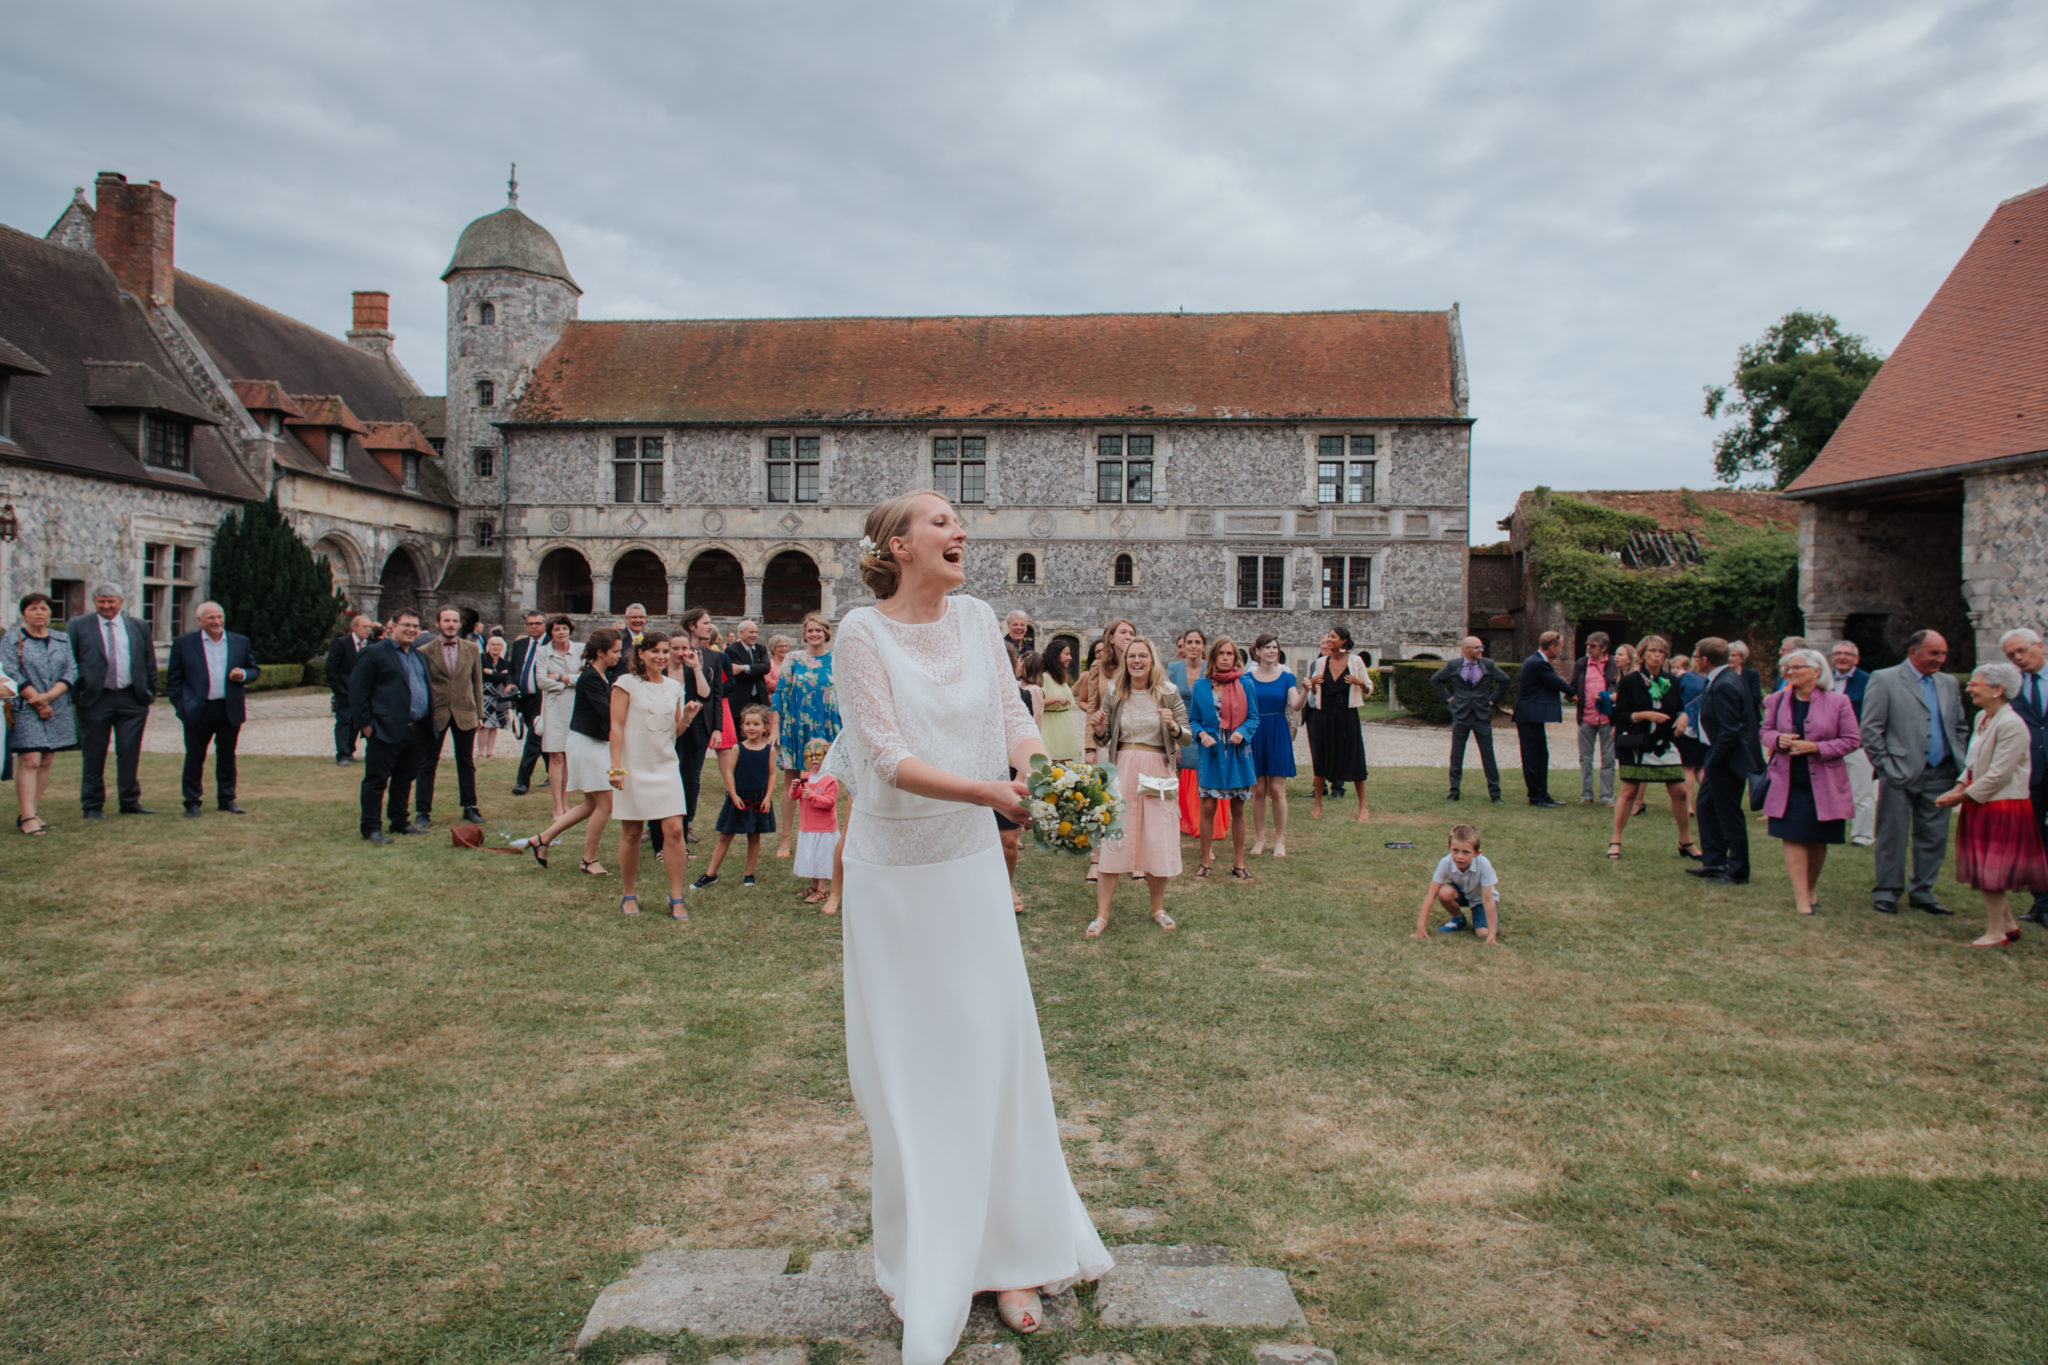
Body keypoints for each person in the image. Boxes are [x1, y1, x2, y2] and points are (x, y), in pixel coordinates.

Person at [821, 491, 1110, 1360]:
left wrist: (1039, 775)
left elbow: (1014, 721)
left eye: (958, 521)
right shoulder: (859, 636)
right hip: (895, 876)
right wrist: (987, 791)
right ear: (898, 545)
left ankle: (1013, 1257)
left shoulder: (982, 617)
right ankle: (926, 1256)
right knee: (911, 1071)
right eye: (941, 520)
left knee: (995, 1053)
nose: (959, 531)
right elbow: (882, 755)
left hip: (971, 871)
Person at [1938, 662, 2048, 947]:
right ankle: (2008, 925)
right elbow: (1973, 764)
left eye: (1976, 683)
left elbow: (2000, 773)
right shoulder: (1982, 719)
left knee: (1993, 871)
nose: (1969, 688)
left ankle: (1996, 933)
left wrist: (1961, 796)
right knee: (1986, 867)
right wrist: (1961, 784)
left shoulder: (2012, 724)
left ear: (1998, 690)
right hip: (1981, 801)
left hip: (2004, 806)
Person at [1861, 629, 1968, 916]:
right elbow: (1871, 729)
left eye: (1943, 654)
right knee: (1892, 834)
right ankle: (1887, 890)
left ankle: (1923, 891)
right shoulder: (1885, 679)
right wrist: (1886, 766)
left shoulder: (1947, 683)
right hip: (1899, 772)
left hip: (1940, 773)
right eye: (1934, 653)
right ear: (1913, 652)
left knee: (1934, 836)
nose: (1940, 659)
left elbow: (1958, 725)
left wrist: (1957, 757)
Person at [1089, 636, 1188, 933]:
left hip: (1158, 768)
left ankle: (1158, 908)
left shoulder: (1167, 692)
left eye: (1143, 655)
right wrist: (1098, 731)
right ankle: (1102, 915)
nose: (1137, 661)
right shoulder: (1116, 692)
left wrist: (1172, 725)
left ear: (1152, 659)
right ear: (1125, 661)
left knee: (1157, 838)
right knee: (1114, 838)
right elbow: (1105, 737)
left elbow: (1187, 736)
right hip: (1124, 770)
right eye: (1132, 655)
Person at [1760, 649, 1862, 915]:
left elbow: (1852, 740)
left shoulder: (1838, 702)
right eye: (1788, 668)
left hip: (1825, 782)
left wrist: (1816, 747)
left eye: (1797, 668)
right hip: (1788, 781)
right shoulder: (1776, 700)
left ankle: (1810, 887)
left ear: (1817, 671)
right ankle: (1801, 897)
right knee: (1792, 837)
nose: (1791, 673)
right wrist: (1776, 740)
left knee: (1818, 839)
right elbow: (1764, 731)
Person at [518, 629, 623, 876]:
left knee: (590, 804)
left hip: (593, 744)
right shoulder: (590, 678)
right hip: (588, 745)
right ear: (601, 653)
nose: (619, 656)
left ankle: (542, 839)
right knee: (605, 804)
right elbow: (606, 714)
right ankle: (589, 859)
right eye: (615, 651)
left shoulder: (601, 676)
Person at [608, 630, 697, 919]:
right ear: (641, 653)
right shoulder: (626, 684)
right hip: (633, 766)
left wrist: (686, 718)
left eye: (665, 651)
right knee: (632, 832)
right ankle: (629, 893)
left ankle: (676, 895)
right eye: (655, 651)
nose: (661, 656)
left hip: (665, 764)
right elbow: (616, 727)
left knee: (674, 829)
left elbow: (675, 731)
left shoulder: (674, 687)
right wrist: (616, 767)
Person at [67, 582, 156, 817]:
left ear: (121, 602)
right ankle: (92, 805)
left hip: (131, 697)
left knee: (129, 752)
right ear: (94, 602)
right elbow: (70, 662)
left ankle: (129, 801)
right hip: (96, 699)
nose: (106, 605)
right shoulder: (79, 626)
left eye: (111, 601)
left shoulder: (137, 626)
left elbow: (148, 661)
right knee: (94, 754)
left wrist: (148, 692)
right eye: (101, 601)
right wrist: (77, 695)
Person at [165, 600, 260, 818]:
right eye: (211, 618)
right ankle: (191, 801)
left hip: (228, 708)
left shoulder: (239, 642)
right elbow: (174, 680)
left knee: (227, 757)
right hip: (198, 709)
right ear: (200, 621)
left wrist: (243, 675)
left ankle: (227, 799)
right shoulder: (184, 644)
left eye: (219, 617)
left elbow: (254, 669)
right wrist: (182, 707)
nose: (216, 621)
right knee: (195, 757)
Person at [1608, 635, 1696, 860]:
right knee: (1629, 792)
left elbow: (1678, 707)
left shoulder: (1671, 681)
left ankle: (1686, 842)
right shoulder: (1630, 681)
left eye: (1661, 652)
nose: (1657, 656)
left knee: (1679, 791)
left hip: (1663, 744)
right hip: (1636, 744)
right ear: (1642, 654)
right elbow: (1618, 715)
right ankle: (1615, 841)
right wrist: (1643, 715)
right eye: (1653, 651)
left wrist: (1683, 716)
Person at [350, 609, 433, 843]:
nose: (411, 630)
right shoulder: (374, 653)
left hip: (415, 729)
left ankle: (399, 821)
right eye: (406, 625)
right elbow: (358, 692)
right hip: (385, 729)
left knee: (404, 778)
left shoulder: (419, 656)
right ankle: (371, 827)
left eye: (415, 626)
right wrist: (366, 725)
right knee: (376, 780)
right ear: (392, 626)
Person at [4, 592, 78, 835]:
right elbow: (11, 671)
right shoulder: (12, 639)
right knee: (30, 759)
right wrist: (36, 700)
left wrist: (49, 697)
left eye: (44, 608)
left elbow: (71, 671)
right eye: (33, 608)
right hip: (26, 707)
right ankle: (27, 818)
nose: (39, 613)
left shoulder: (62, 639)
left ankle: (32, 812)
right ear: (24, 612)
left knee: (46, 760)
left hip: (56, 706)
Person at [1689, 636, 1760, 885]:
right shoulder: (1722, 679)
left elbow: (1730, 730)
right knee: (1707, 805)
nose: (1694, 661)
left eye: (1696, 656)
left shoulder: (1725, 684)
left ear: (1705, 660)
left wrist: (1714, 761)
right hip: (1718, 754)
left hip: (1727, 758)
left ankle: (1738, 868)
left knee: (1728, 812)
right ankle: (1714, 860)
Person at [1189, 636, 1258, 880]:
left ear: (1235, 657)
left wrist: (1242, 732)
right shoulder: (1201, 686)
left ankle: (1239, 863)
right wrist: (1201, 734)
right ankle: (1205, 861)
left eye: (1230, 654)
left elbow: (1253, 717)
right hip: (1212, 752)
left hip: (1238, 753)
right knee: (1208, 806)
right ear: (1214, 657)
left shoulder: (1245, 684)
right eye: (1222, 654)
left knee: (1238, 808)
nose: (1226, 658)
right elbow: (1194, 719)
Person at [772, 613, 841, 858]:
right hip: (796, 726)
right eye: (810, 631)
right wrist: (775, 727)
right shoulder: (793, 659)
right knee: (792, 780)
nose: (814, 635)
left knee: (827, 782)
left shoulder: (836, 659)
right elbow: (780, 693)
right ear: (804, 634)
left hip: (826, 727)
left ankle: (826, 835)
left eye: (818, 631)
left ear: (826, 634)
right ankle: (786, 839)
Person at [693, 704, 778, 889]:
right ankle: (710, 873)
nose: (751, 728)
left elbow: (772, 774)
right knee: (725, 836)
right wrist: (733, 794)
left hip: (758, 799)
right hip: (738, 798)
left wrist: (768, 797)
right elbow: (729, 772)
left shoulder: (769, 751)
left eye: (756, 724)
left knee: (754, 836)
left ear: (765, 727)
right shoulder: (737, 748)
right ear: (742, 726)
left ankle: (749, 874)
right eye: (747, 723)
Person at [416, 606, 485, 827]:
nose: (451, 625)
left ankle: (470, 806)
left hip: (464, 712)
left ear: (459, 624)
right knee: (428, 763)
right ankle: (423, 811)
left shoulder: (472, 649)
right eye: (446, 620)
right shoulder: (425, 651)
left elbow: (477, 683)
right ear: (438, 623)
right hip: (436, 713)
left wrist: (480, 714)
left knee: (466, 762)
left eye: (454, 621)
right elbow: (422, 685)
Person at [1999, 628, 2048, 926]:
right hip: (2030, 773)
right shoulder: (2011, 689)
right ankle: (2041, 900)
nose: (2018, 658)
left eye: (2022, 651)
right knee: (2035, 840)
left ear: (2040, 646)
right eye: (2011, 655)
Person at [1305, 625, 1372, 821]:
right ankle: (1317, 803)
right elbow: (1314, 694)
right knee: (1321, 761)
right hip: (1324, 717)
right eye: (1327, 638)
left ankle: (1363, 805)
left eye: (1333, 637)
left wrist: (1359, 683)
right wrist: (1315, 685)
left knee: (1355, 759)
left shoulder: (1355, 661)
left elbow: (1369, 687)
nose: (1329, 641)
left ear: (1343, 641)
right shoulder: (1321, 663)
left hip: (1347, 717)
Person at [678, 607, 734, 841]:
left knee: (693, 776)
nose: (710, 626)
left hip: (702, 721)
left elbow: (717, 695)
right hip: (676, 719)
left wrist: (718, 728)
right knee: (671, 772)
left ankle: (687, 823)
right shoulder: (676, 653)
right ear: (692, 626)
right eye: (705, 623)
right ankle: (658, 825)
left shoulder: (713, 656)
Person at [1166, 627, 1228, 840]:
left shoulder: (1211, 669)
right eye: (1189, 642)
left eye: (1197, 642)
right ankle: (1174, 824)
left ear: (1204, 646)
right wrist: (1172, 737)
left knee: (1206, 780)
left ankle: (1204, 826)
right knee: (1175, 779)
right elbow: (1168, 703)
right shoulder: (1172, 669)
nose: (1193, 646)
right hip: (1180, 729)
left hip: (1206, 729)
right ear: (1184, 646)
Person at [1243, 633, 1301, 857]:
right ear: (1257, 651)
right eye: (1267, 647)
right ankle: (1259, 839)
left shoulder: (1286, 677)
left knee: (1277, 790)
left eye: (1275, 647)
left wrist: (1307, 691)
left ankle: (1280, 839)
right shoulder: (1247, 679)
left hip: (1277, 731)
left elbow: (1295, 704)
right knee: (1258, 791)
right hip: (1255, 732)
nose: (1272, 651)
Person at [1432, 637, 1509, 803]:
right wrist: (1449, 699)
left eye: (1481, 647)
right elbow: (1436, 679)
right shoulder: (1454, 665)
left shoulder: (1487, 665)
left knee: (1488, 755)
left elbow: (1505, 680)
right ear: (1466, 649)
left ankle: (1495, 795)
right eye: (1477, 648)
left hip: (1481, 715)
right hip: (1461, 714)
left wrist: (1492, 700)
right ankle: (1454, 793)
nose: (1481, 650)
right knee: (1456, 755)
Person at [1512, 630, 1574, 807]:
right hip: (1528, 716)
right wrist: (1573, 693)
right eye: (1560, 647)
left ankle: (1543, 793)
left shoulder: (1537, 661)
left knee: (1541, 755)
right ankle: (1535, 796)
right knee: (1532, 756)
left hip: (1533, 716)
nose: (1560, 651)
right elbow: (1556, 682)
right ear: (1552, 647)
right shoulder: (1537, 663)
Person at [1412, 824, 1500, 944]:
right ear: (1449, 848)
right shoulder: (1445, 862)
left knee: (1482, 933)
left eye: (1466, 852)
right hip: (1461, 895)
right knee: (1444, 892)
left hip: (1480, 900)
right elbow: (1430, 894)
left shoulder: (1484, 864)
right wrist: (1420, 927)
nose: (1460, 856)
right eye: (1455, 851)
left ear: (1476, 853)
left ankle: (1478, 918)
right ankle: (1459, 919)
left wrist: (1492, 933)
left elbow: (1488, 898)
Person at [1830, 640, 1876, 846]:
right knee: (1830, 791)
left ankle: (1862, 835)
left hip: (1857, 746)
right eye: (1838, 653)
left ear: (1856, 659)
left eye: (1847, 654)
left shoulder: (1868, 681)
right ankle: (1830, 831)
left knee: (1861, 793)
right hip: (1828, 745)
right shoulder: (1824, 680)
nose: (1842, 657)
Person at [534, 615, 580, 820]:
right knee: (556, 755)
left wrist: (562, 678)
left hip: (573, 705)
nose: (561, 632)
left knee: (568, 754)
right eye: (556, 629)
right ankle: (556, 804)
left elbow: (584, 677)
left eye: (564, 628)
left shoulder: (580, 649)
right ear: (551, 633)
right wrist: (565, 684)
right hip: (553, 707)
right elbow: (542, 681)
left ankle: (566, 801)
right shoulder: (543, 652)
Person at [791, 738, 840, 909]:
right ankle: (813, 886)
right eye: (809, 755)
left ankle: (822, 889)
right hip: (808, 828)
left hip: (824, 830)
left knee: (822, 858)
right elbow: (794, 796)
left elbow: (829, 802)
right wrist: (795, 787)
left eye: (818, 755)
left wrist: (811, 796)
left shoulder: (830, 780)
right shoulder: (806, 777)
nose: (813, 759)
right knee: (811, 857)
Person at [1571, 631, 1618, 805]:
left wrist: (1609, 696)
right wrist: (1574, 696)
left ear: (1604, 648)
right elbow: (1573, 686)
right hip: (1587, 717)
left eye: (1593, 646)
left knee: (1608, 759)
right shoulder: (1581, 664)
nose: (1589, 649)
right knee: (1585, 758)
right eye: (1587, 645)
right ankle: (1587, 795)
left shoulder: (1613, 665)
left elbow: (1619, 687)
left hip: (1607, 717)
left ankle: (1606, 796)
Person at [507, 612, 550, 792]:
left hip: (542, 699)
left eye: (537, 623)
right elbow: (512, 668)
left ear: (544, 625)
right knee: (539, 739)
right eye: (530, 624)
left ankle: (522, 781)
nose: (533, 627)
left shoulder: (551, 645)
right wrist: (510, 683)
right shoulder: (520, 645)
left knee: (532, 739)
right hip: (524, 698)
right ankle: (554, 773)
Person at [326, 614, 374, 765]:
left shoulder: (371, 645)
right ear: (354, 628)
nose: (367, 630)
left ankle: (350, 751)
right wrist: (339, 690)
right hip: (345, 691)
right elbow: (331, 669)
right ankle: (342, 754)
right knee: (344, 721)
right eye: (364, 627)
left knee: (357, 722)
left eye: (369, 627)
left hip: (364, 693)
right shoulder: (341, 643)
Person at [1674, 651, 1708, 833]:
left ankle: (1688, 806)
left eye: (1676, 668)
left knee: (1687, 768)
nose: (1674, 671)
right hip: (1702, 728)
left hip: (1688, 727)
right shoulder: (1701, 680)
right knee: (1701, 768)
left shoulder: (1684, 680)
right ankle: (1713, 799)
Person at [1037, 636, 1086, 764]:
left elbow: (1068, 698)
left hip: (1066, 727)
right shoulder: (1044, 677)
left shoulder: (1060, 677)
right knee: (1053, 767)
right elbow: (1036, 704)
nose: (1070, 658)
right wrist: (1055, 699)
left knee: (1068, 766)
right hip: (1051, 728)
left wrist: (1080, 681)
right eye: (1067, 654)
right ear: (1055, 656)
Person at [725, 618, 773, 713]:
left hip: (760, 698)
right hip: (740, 699)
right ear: (741, 632)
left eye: (756, 632)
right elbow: (737, 673)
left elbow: (766, 668)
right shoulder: (731, 650)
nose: (754, 635)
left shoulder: (761, 649)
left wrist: (743, 668)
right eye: (751, 632)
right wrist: (757, 669)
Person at [478, 633, 512, 761]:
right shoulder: (482, 658)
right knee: (484, 726)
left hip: (498, 697)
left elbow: (506, 677)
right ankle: (481, 753)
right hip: (485, 696)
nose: (495, 647)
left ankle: (490, 753)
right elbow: (482, 675)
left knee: (495, 726)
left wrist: (492, 673)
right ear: (488, 646)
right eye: (493, 644)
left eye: (498, 645)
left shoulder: (505, 662)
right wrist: (498, 674)